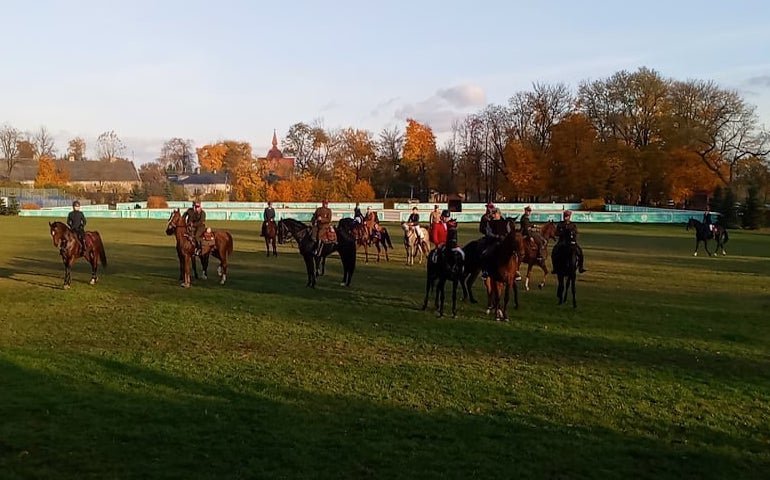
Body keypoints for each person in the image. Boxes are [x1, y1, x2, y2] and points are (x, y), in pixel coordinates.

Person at [480, 207, 520, 281]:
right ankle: (485, 271)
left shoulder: (505, 222)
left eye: (495, 213)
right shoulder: (489, 222)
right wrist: (496, 236)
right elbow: (488, 232)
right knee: (485, 253)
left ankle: (516, 271)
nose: (493, 215)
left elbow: (508, 231)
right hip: (493, 241)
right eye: (493, 214)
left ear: (499, 214)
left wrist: (505, 237)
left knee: (515, 253)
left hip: (504, 242)